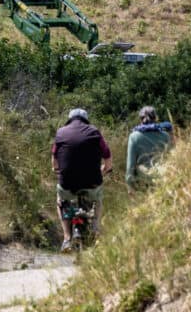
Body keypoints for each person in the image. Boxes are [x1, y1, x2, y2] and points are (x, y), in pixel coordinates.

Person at [52, 106, 112, 249]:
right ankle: (96, 228)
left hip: (67, 181)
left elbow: (54, 162)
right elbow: (108, 157)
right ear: (86, 120)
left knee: (61, 200)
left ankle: (67, 238)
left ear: (69, 120)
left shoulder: (60, 133)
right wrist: (104, 170)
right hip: (92, 181)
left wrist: (59, 171)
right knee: (97, 200)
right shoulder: (95, 132)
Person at [126, 106, 173, 188]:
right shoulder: (166, 136)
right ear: (155, 118)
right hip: (163, 180)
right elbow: (171, 160)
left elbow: (131, 165)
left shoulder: (134, 137)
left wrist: (129, 185)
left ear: (140, 119)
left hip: (143, 182)